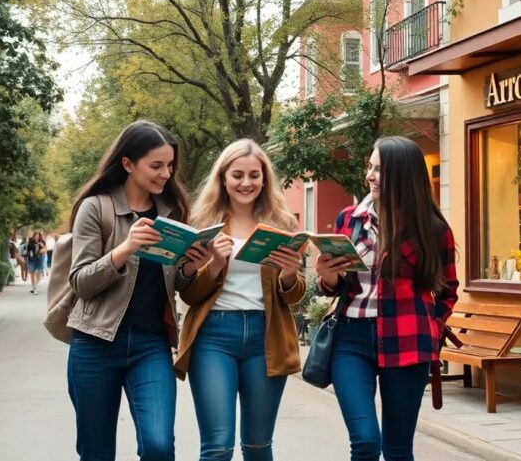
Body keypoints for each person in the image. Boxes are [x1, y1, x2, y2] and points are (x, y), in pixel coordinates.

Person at [66, 120, 204, 461]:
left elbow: (180, 289)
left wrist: (191, 266)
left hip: (151, 346)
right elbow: (81, 282)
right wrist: (125, 249)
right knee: (96, 452)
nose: (166, 174)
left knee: (159, 446)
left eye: (170, 165)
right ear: (128, 164)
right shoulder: (96, 208)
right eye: (156, 166)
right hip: (95, 344)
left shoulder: (173, 214)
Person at [315, 136, 459, 461]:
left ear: (403, 174)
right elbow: (336, 288)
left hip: (409, 342)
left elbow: (448, 289)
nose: (370, 175)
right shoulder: (348, 220)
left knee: (397, 450)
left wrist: (432, 329)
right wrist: (327, 277)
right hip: (350, 339)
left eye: (379, 169)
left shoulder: (433, 229)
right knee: (365, 441)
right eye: (370, 167)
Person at [174, 139, 306, 461]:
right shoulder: (201, 222)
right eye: (237, 175)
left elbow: (294, 296)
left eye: (253, 175)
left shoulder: (283, 223)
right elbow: (187, 293)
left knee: (259, 445)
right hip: (213, 336)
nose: (246, 183)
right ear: (222, 178)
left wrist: (289, 274)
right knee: (217, 446)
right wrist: (215, 264)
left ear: (264, 179)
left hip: (266, 336)